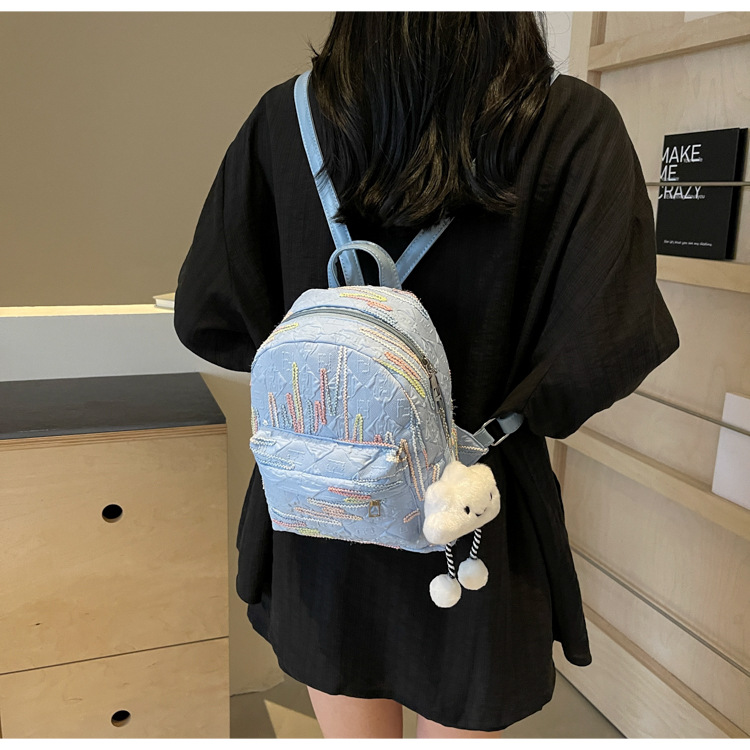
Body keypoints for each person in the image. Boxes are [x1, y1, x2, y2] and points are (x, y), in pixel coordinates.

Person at [173, 11, 680, 738]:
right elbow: (609, 345)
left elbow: (209, 312)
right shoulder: (571, 125)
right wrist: (501, 411)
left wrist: (330, 386)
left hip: (323, 504)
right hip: (473, 511)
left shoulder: (283, 121)